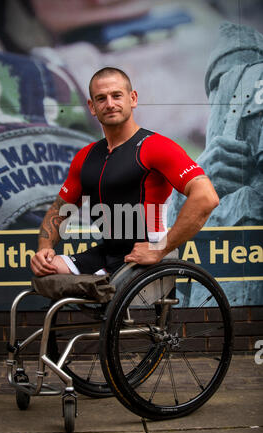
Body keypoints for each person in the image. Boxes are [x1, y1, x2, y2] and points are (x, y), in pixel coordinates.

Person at [30, 67, 219, 278]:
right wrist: (44, 248)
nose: (110, 104)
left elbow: (206, 197)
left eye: (116, 95)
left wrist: (160, 248)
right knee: (48, 270)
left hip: (146, 256)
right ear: (92, 107)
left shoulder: (156, 146)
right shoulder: (85, 156)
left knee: (96, 288)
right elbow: (58, 209)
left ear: (133, 98)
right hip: (107, 254)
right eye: (101, 98)